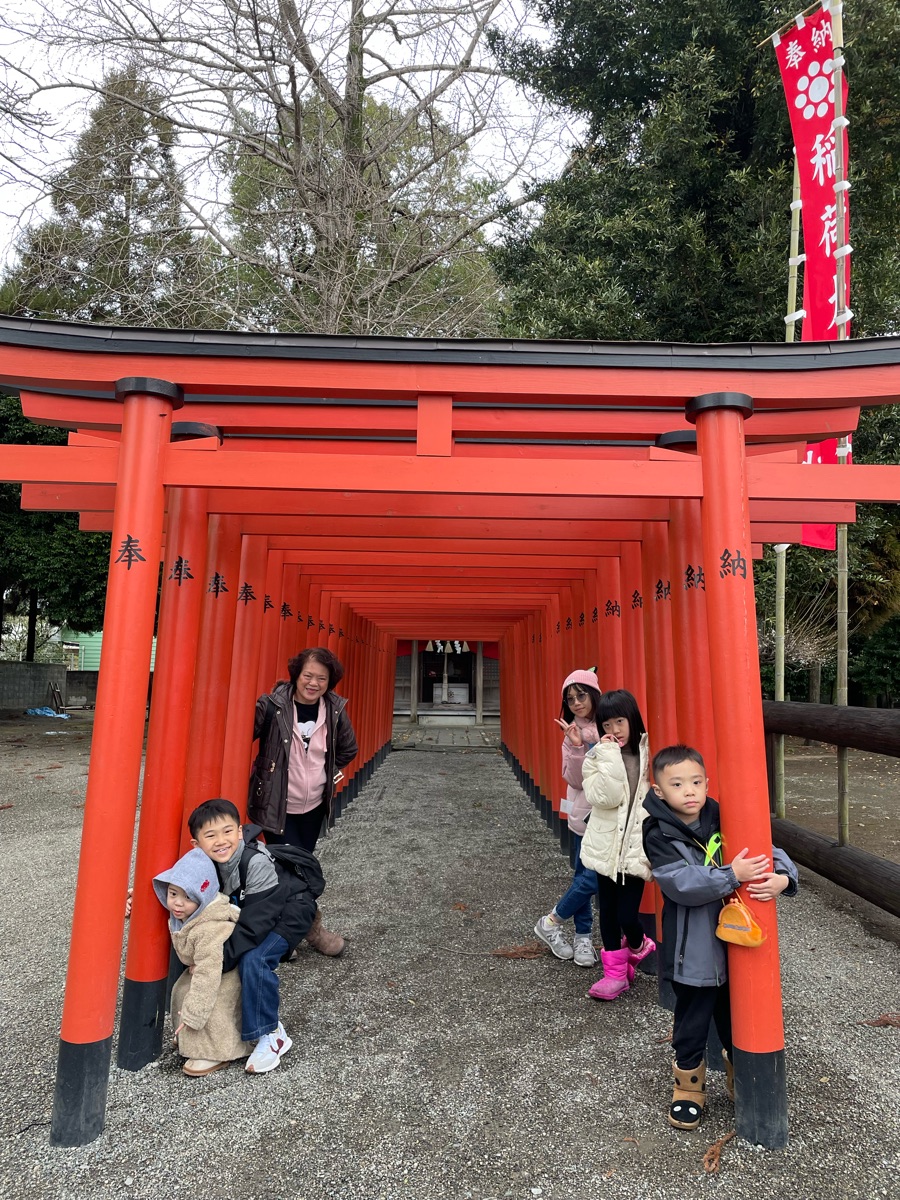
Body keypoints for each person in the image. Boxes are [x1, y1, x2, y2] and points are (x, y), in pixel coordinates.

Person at [642, 744, 798, 1130]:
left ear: (707, 782)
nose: (689, 791)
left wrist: (784, 876)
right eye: (677, 784)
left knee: (736, 1017)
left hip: (736, 942)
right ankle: (688, 1088)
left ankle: (737, 1076)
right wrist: (733, 875)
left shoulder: (721, 814)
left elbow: (765, 848)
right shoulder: (658, 831)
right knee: (692, 1021)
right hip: (691, 949)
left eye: (696, 782)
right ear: (659, 790)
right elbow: (680, 883)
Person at [189, 798, 318, 1074]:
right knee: (234, 951)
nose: (220, 841)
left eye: (227, 832)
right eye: (210, 835)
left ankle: (270, 1033)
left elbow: (255, 926)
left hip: (288, 911)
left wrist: (217, 960)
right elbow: (180, 888)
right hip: (253, 911)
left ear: (239, 831)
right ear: (196, 843)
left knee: (254, 958)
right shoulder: (204, 863)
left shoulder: (255, 862)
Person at [248, 647, 358, 956]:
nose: (313, 683)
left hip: (313, 807)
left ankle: (289, 932)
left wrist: (328, 770)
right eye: (308, 675)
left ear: (330, 682)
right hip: (276, 805)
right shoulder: (272, 706)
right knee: (290, 870)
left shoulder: (333, 709)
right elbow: (240, 733)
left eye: (321, 678)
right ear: (296, 674)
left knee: (299, 869)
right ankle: (305, 932)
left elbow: (349, 748)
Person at [579, 688, 655, 1000]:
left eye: (619, 722)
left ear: (632, 719)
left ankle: (638, 944)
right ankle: (615, 974)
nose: (614, 731)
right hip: (605, 849)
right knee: (607, 912)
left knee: (627, 915)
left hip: (635, 849)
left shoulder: (648, 755)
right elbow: (604, 798)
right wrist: (606, 754)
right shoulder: (596, 758)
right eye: (606, 725)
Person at [152, 848, 252, 1077]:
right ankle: (190, 1040)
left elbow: (209, 974)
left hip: (224, 974)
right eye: (173, 893)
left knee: (211, 1005)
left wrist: (193, 1016)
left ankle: (216, 1050)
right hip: (206, 968)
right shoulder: (185, 916)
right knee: (182, 990)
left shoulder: (209, 928)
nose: (177, 904)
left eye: (188, 897)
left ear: (203, 897)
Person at [533, 669, 603, 967]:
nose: (576, 702)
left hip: (613, 816)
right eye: (570, 698)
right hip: (585, 815)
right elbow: (574, 780)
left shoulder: (611, 723)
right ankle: (579, 934)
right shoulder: (571, 733)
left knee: (587, 878)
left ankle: (557, 926)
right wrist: (576, 746)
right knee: (588, 878)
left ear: (595, 694)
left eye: (581, 695)